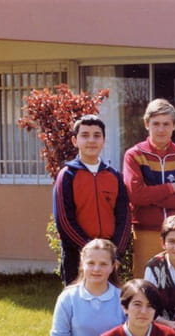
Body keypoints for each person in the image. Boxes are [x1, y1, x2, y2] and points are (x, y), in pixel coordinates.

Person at [52, 114, 131, 285]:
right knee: (78, 299)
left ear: (103, 141)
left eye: (97, 135)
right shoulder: (67, 175)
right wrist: (90, 250)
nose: (91, 141)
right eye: (85, 135)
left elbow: (124, 217)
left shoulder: (114, 176)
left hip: (109, 257)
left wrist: (115, 253)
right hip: (77, 255)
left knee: (109, 298)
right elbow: (64, 221)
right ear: (75, 141)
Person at [122, 98, 175, 276]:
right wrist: (170, 188)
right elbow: (136, 196)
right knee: (145, 284)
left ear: (174, 126)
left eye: (166, 124)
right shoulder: (134, 155)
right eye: (156, 124)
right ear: (146, 124)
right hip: (145, 231)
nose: (161, 129)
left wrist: (150, 196)